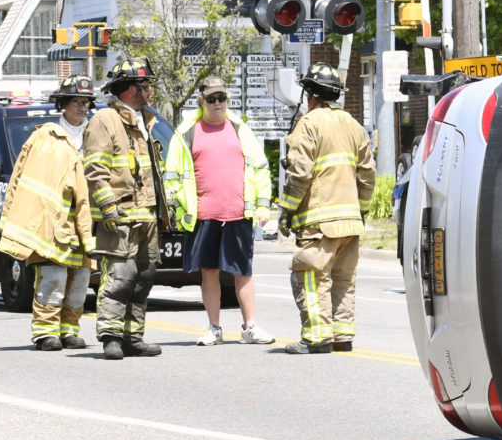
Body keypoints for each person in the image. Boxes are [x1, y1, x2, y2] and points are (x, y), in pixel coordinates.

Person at [163, 78, 276, 346]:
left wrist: (262, 207)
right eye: (212, 99)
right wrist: (181, 210)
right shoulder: (187, 132)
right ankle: (214, 328)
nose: (217, 104)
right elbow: (172, 178)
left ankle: (250, 327)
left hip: (238, 214)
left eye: (222, 98)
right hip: (203, 216)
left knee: (243, 272)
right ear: (201, 102)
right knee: (209, 272)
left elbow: (260, 170)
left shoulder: (240, 130)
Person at [0, 78, 96, 351]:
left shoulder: (93, 137)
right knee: (53, 278)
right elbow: (19, 176)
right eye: (76, 102)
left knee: (80, 281)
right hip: (50, 221)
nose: (81, 107)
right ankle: (45, 332)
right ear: (62, 104)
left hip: (83, 223)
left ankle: (70, 330)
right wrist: (9, 215)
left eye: (85, 102)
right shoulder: (44, 136)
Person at [278, 69, 372, 354]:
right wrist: (361, 212)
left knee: (312, 276)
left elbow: (300, 174)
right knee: (344, 279)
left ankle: (316, 338)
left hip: (319, 221)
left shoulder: (308, 124)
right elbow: (367, 174)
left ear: (311, 96)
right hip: (350, 223)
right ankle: (342, 336)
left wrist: (287, 211)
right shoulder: (354, 125)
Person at [84, 65, 164, 360]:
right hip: (119, 218)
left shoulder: (144, 120)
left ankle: (132, 337)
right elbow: (95, 169)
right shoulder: (106, 120)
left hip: (147, 216)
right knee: (120, 278)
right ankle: (111, 337)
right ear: (132, 87)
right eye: (146, 85)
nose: (150, 91)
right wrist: (108, 207)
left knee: (144, 277)